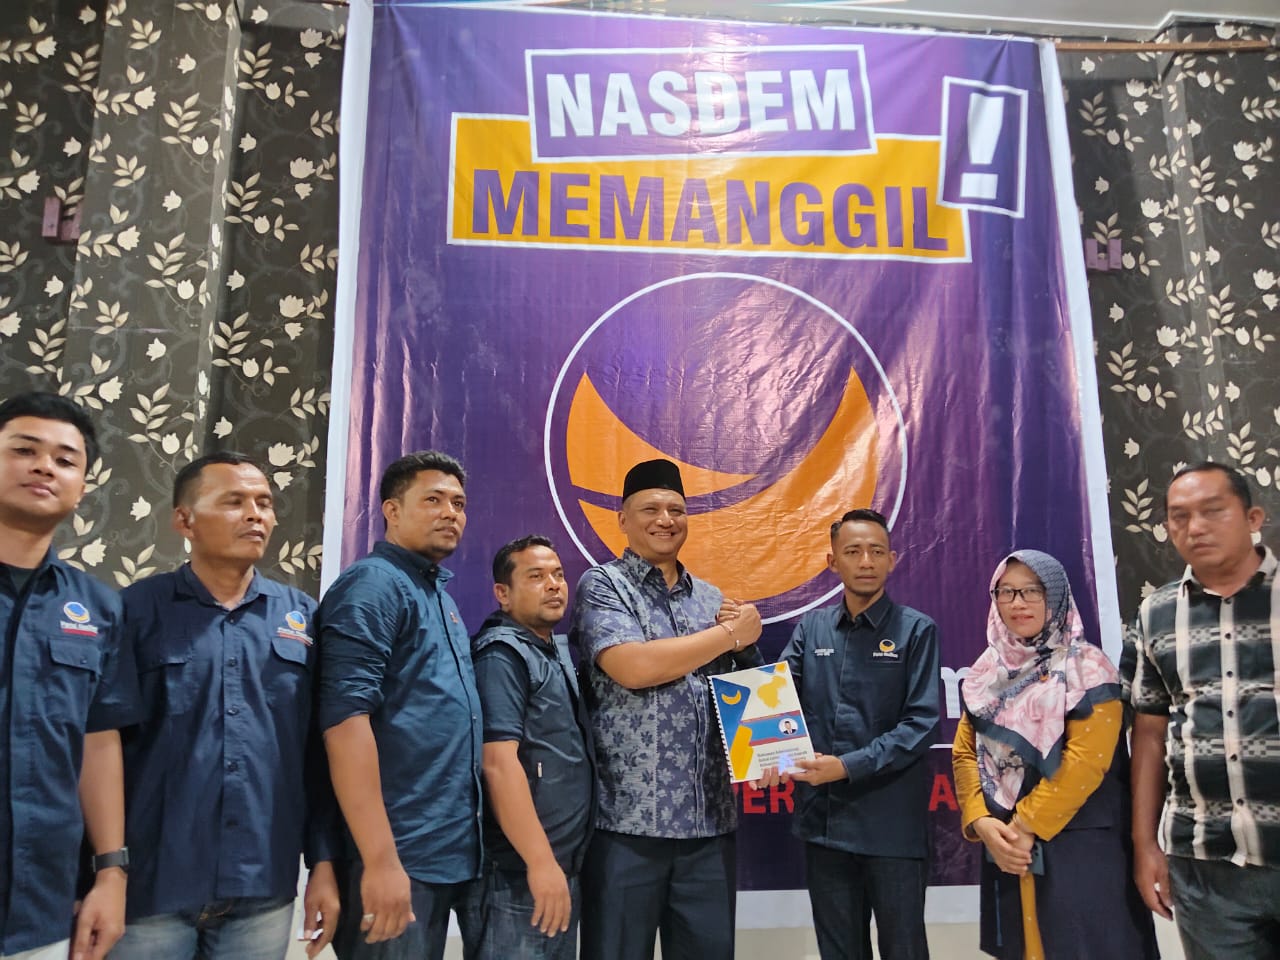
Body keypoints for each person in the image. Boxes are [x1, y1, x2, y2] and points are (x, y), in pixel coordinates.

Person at [111, 452, 340, 960]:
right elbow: (102, 747)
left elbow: (316, 756)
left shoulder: (302, 618)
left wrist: (323, 863)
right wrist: (102, 870)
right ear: (184, 520)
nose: (255, 515)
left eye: (265, 503)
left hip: (262, 886)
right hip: (151, 886)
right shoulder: (134, 611)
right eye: (234, 502)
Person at [569, 458, 763, 960]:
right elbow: (634, 668)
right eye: (651, 509)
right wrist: (729, 634)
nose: (665, 520)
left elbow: (742, 691)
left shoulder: (713, 599)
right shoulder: (603, 585)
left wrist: (769, 754)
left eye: (676, 509)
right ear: (623, 519)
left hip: (708, 826)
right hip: (627, 827)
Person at [317, 451, 483, 960]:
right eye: (433, 500)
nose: (450, 512)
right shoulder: (373, 586)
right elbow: (344, 725)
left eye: (458, 503)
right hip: (396, 855)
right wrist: (381, 860)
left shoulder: (438, 595)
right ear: (392, 510)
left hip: (445, 853)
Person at [953, 548, 1158, 959]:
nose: (1018, 603)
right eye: (1007, 592)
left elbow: (1087, 763)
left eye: (1033, 590)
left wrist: (1023, 826)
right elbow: (964, 753)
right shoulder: (986, 673)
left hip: (1082, 850)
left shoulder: (1088, 668)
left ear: (1057, 596)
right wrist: (981, 822)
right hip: (1008, 848)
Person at [0, 391, 140, 960]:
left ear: (82, 487)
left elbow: (98, 741)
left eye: (64, 460)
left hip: (42, 907)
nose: (44, 467)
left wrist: (111, 873)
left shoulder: (97, 607)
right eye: (24, 450)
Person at [1126, 462, 1279, 960]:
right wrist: (1145, 845)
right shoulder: (1156, 613)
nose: (1195, 527)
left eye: (1213, 511)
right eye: (1179, 516)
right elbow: (1149, 735)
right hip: (1204, 864)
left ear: (1253, 517)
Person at [780, 508, 939, 960]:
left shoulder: (917, 630)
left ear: (892, 559)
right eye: (853, 551)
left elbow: (920, 724)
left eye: (876, 551)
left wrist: (846, 767)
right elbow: (778, 701)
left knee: (904, 949)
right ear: (833, 562)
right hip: (824, 825)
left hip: (892, 828)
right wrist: (768, 754)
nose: (866, 561)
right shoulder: (811, 629)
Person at [469, 535, 595, 960]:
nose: (554, 584)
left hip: (558, 870)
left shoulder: (549, 649)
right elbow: (497, 764)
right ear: (503, 593)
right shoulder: (501, 656)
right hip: (518, 876)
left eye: (558, 574)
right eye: (536, 576)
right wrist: (540, 862)